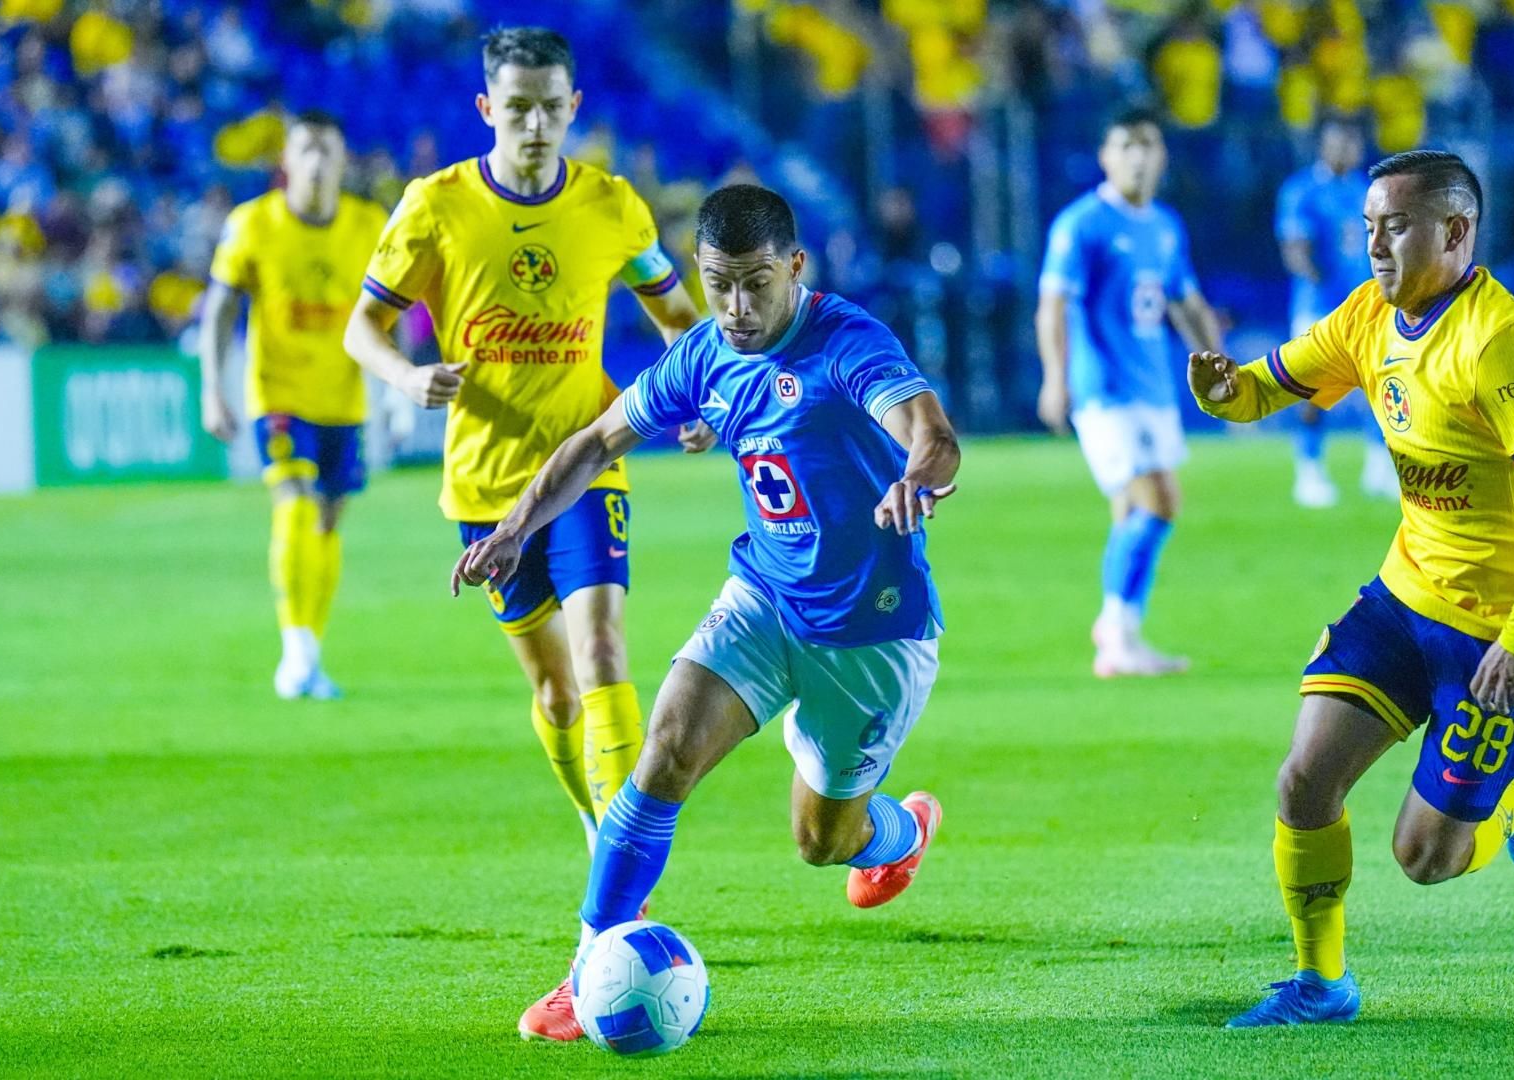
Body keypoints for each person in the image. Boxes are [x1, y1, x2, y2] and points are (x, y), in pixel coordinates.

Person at [453, 185, 960, 1041]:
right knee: (665, 751)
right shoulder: (704, 355)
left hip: (873, 631)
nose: (735, 307)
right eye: (718, 283)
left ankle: (901, 829)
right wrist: (513, 528)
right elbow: (593, 443)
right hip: (764, 599)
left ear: (795, 267)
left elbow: (930, 432)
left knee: (821, 841)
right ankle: (587, 973)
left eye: (756, 283)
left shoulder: (848, 343)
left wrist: (920, 476)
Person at [1188, 151, 1514, 1027]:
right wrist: (1227, 394)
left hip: (1505, 631)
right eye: (1369, 226)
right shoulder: (1371, 313)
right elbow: (1272, 384)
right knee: (1304, 781)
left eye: (1397, 226)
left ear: (1456, 232)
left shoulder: (1503, 343)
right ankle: (1321, 985)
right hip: (1404, 596)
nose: (1376, 244)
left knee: (1426, 858)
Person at [343, 27, 708, 851]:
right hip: (484, 482)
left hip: (588, 461)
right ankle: (595, 822)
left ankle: (624, 870)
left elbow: (680, 319)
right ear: (485, 109)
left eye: (551, 109)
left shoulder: (613, 205)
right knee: (555, 694)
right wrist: (404, 378)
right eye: (517, 110)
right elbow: (362, 328)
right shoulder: (433, 206)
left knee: (604, 650)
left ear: (574, 106)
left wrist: (703, 397)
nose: (536, 126)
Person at [200, 110, 387, 699]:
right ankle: (294, 647)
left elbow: (393, 307)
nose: (316, 161)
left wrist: (399, 389)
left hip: (343, 397)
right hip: (277, 393)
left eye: (326, 150)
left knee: (329, 520)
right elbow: (220, 308)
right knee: (294, 503)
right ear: (286, 160)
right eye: (305, 149)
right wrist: (212, 386)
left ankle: (311, 651)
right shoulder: (252, 223)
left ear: (342, 159)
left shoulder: (368, 224)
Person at [1035, 104, 1224, 679]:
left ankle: (1122, 636)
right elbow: (1053, 304)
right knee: (1160, 500)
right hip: (1106, 390)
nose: (1138, 157)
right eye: (1126, 146)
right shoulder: (1081, 225)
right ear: (1106, 157)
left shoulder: (1165, 226)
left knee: (1130, 512)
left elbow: (1184, 302)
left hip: (1155, 389)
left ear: (1162, 156)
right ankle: (1114, 628)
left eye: (1148, 145)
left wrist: (1223, 367)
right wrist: (1055, 376)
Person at [1275, 117, 1397, 508]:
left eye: (1351, 143)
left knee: (1380, 386)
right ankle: (1309, 471)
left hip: (1366, 309)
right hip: (1318, 307)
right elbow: (1294, 249)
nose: (1346, 151)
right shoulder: (1302, 191)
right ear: (1323, 147)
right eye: (1338, 143)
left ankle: (1378, 468)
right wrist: (1319, 282)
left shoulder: (1367, 190)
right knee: (1313, 391)